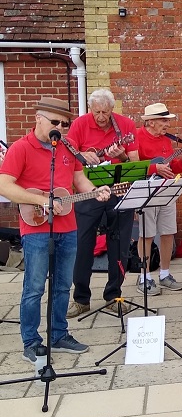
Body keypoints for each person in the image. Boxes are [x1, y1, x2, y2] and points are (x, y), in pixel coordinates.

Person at [0, 96, 112, 363]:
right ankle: (31, 341)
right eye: (55, 122)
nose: (60, 127)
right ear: (38, 119)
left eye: (65, 123)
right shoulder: (20, 148)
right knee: (35, 286)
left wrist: (95, 192)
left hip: (68, 226)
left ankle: (59, 334)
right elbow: (4, 184)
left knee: (63, 285)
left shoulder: (68, 147)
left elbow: (78, 179)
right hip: (36, 226)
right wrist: (41, 200)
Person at [64, 88, 139, 318]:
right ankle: (81, 299)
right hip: (89, 191)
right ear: (90, 109)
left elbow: (135, 161)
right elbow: (68, 151)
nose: (100, 116)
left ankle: (114, 295)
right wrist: (82, 155)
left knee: (120, 245)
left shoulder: (125, 125)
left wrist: (122, 155)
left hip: (119, 190)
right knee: (83, 244)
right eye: (96, 111)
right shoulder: (80, 124)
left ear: (112, 110)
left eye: (105, 112)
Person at [134, 103, 182, 295]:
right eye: (163, 120)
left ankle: (165, 274)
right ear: (150, 122)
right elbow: (132, 167)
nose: (167, 124)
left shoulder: (167, 140)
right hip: (146, 190)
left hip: (166, 189)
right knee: (147, 234)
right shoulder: (137, 137)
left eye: (167, 120)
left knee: (168, 232)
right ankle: (144, 276)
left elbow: (172, 167)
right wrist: (153, 169)